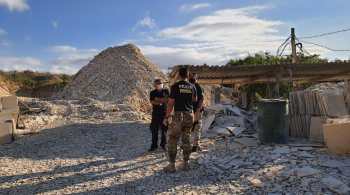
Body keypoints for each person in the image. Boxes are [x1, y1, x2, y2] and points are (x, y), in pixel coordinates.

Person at [163, 67, 197, 173]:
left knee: (173, 139)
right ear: (188, 75)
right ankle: (186, 164)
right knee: (186, 139)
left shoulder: (175, 86)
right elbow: (194, 99)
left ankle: (172, 165)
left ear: (179, 75)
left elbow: (171, 103)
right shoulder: (192, 86)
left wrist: (167, 116)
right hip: (189, 115)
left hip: (178, 115)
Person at [149, 79, 169, 152]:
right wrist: (161, 101)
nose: (160, 85)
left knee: (164, 131)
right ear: (155, 85)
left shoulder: (166, 91)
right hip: (155, 114)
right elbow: (152, 101)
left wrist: (158, 99)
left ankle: (163, 145)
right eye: (158, 84)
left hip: (164, 114)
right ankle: (154, 146)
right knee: (154, 130)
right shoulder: (152, 92)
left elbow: (167, 100)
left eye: (161, 83)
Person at [189, 73, 204, 152]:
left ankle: (195, 145)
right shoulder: (188, 86)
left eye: (194, 77)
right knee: (190, 129)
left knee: (197, 127)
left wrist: (198, 110)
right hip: (190, 111)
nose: (192, 78)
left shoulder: (197, 86)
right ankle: (191, 145)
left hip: (196, 111)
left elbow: (201, 99)